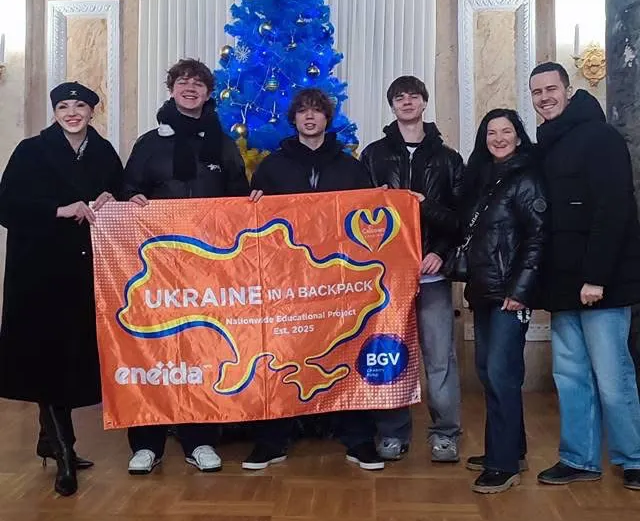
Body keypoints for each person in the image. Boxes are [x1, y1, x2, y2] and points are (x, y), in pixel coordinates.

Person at [245, 87, 384, 471]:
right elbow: (251, 224)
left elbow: (368, 216)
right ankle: (271, 441)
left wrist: (386, 201)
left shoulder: (350, 167)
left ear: (327, 118)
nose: (310, 117)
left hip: (339, 280)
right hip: (286, 281)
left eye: (317, 111)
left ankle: (359, 440)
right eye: (303, 111)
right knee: (279, 354)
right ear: (294, 119)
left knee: (347, 350)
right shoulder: (272, 167)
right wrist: (252, 205)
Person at [122, 58, 250, 474]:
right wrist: (132, 200)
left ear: (209, 93)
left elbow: (239, 199)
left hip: (208, 264)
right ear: (172, 89)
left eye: (198, 83)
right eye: (182, 82)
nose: (190, 88)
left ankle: (200, 440)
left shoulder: (224, 144)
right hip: (157, 264)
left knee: (202, 347)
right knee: (153, 349)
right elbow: (128, 191)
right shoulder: (149, 143)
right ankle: (147, 443)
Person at [0, 81, 123, 497]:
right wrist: (58, 209)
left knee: (69, 355)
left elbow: (120, 191)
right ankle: (65, 452)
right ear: (55, 113)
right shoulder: (31, 151)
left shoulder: (103, 152)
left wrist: (113, 198)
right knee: (45, 357)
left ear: (92, 112)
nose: (72, 113)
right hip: (38, 271)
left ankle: (47, 439)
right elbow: (6, 205)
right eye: (64, 106)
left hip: (84, 270)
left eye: (80, 106)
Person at [529, 61, 640, 489]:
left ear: (568, 90)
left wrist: (596, 277)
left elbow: (615, 209)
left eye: (551, 89)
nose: (544, 98)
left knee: (613, 377)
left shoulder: (600, 137)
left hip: (600, 283)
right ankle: (579, 458)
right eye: (537, 92)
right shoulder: (548, 142)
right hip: (563, 285)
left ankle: (634, 458)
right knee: (571, 377)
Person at [360, 76, 463, 462]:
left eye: (413, 96)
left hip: (432, 275)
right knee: (388, 354)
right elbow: (359, 214)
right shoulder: (373, 155)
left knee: (439, 358)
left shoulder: (448, 159)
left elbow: (461, 219)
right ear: (392, 106)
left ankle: (445, 434)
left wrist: (440, 253)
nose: (407, 102)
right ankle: (391, 432)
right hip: (387, 280)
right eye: (399, 97)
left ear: (424, 103)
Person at [457, 109, 547, 493]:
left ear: (518, 136)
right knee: (489, 370)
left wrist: (520, 291)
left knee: (501, 373)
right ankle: (512, 449)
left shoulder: (526, 177)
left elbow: (538, 238)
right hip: (484, 292)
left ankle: (503, 464)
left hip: (510, 295)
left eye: (506, 131)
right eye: (491, 132)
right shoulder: (484, 178)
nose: (498, 138)